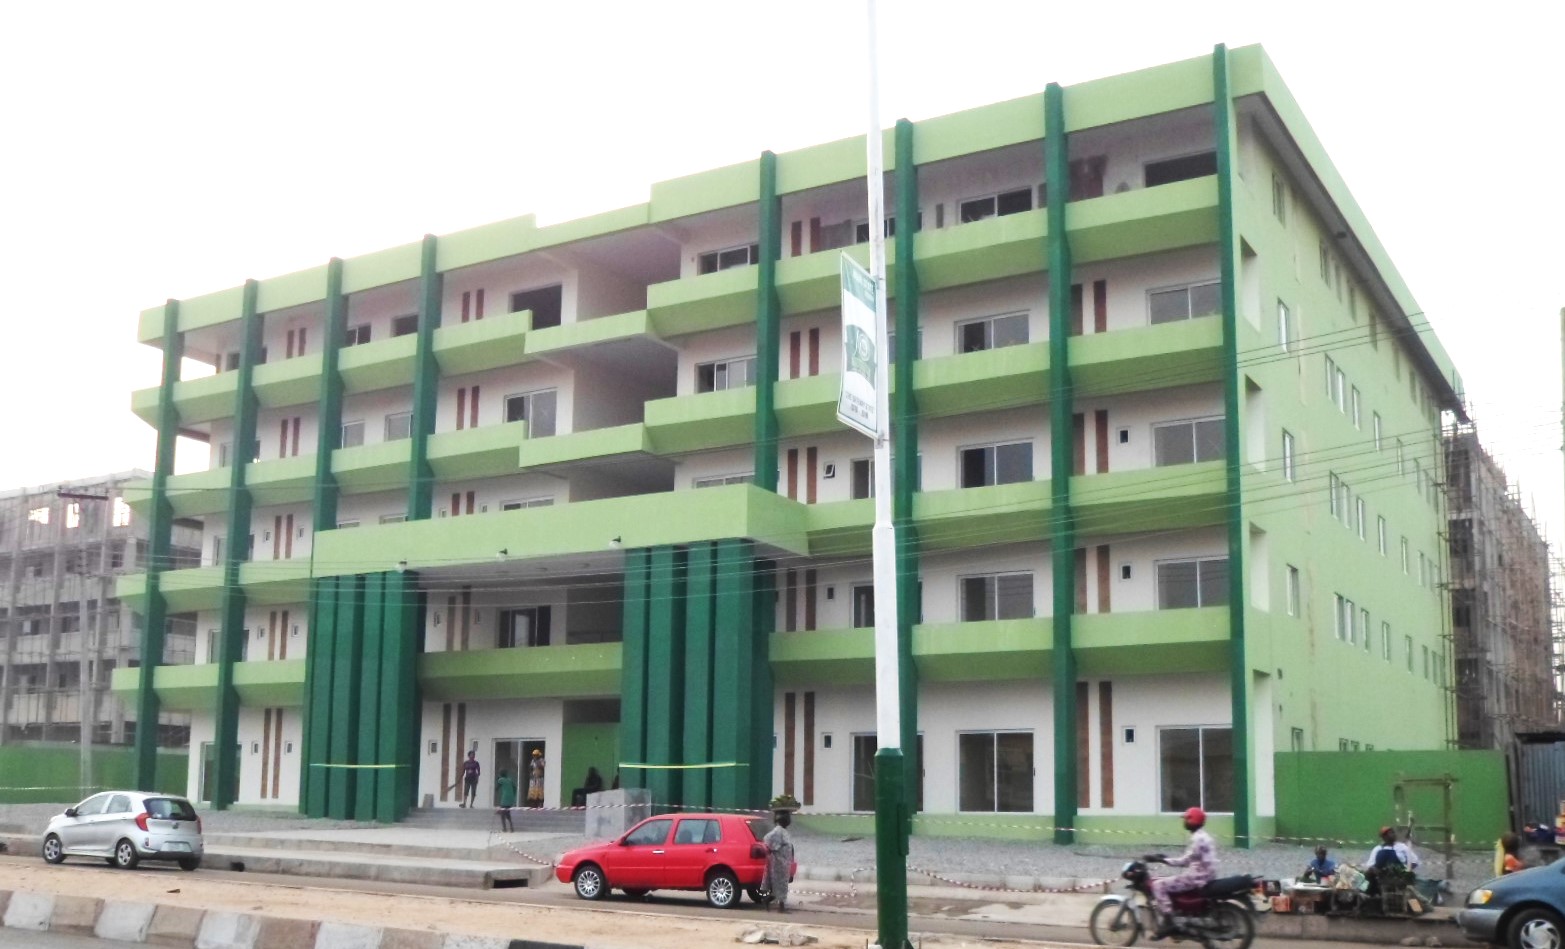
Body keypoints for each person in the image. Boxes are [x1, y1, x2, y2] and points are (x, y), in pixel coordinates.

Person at [1150, 806, 1218, 940]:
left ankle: (1169, 922)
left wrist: (1164, 860)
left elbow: (1185, 861)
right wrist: (1164, 858)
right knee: (1170, 881)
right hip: (1205, 873)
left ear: (1193, 821)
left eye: (1186, 819)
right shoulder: (1203, 836)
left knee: (1158, 885)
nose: (1184, 822)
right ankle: (1178, 914)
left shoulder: (1197, 839)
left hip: (1197, 877)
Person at [762, 810, 796, 913]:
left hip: (784, 862)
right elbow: (767, 839)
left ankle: (768, 900)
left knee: (781, 885)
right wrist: (773, 848)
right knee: (781, 885)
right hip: (779, 862)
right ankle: (781, 907)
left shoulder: (783, 831)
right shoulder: (778, 831)